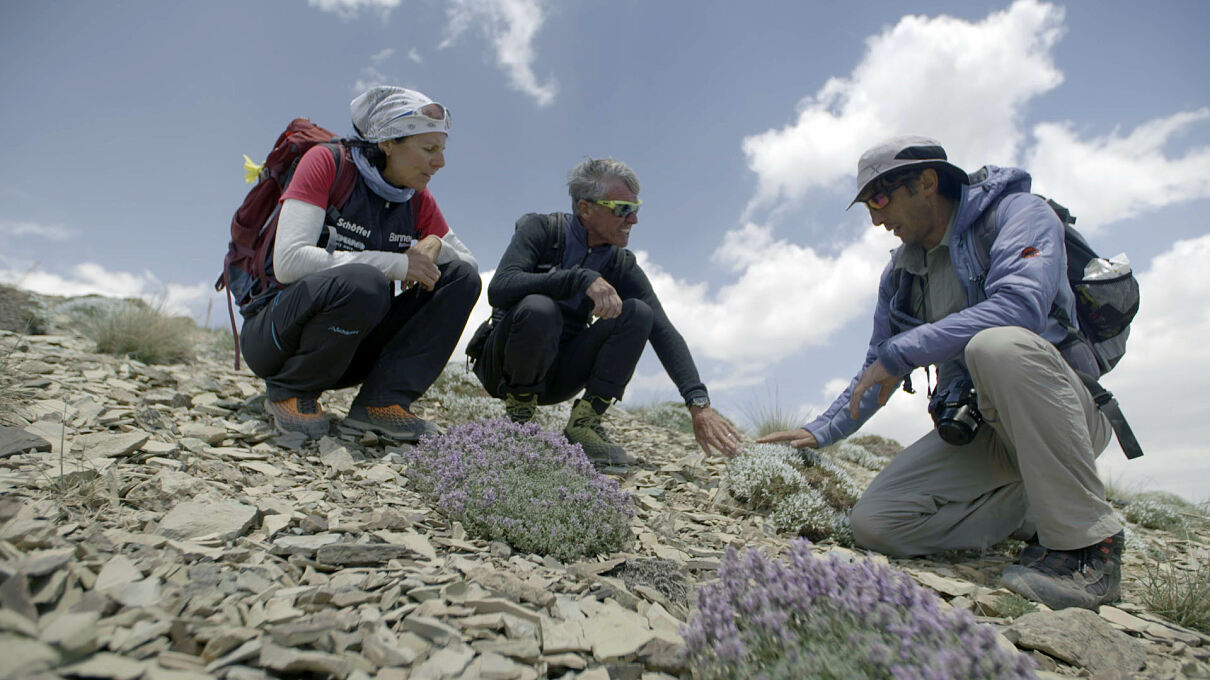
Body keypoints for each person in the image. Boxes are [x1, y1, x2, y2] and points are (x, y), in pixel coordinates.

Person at [758, 136, 1124, 611]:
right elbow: (877, 367)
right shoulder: (902, 274)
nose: (875, 218)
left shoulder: (1019, 213)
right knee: (876, 523)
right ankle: (1033, 512)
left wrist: (903, 352)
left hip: (1063, 412)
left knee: (997, 346)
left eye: (880, 197)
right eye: (869, 204)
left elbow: (1021, 307)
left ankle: (1088, 550)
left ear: (927, 181)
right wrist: (820, 430)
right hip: (984, 426)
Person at [240, 86, 480, 441]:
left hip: (347, 349)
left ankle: (381, 404)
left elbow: (468, 264)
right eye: (428, 149)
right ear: (387, 143)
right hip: (275, 341)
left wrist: (432, 242)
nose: (439, 162)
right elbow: (289, 262)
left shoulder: (415, 197)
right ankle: (291, 391)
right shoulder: (327, 162)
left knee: (461, 278)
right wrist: (398, 265)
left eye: (441, 150)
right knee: (366, 281)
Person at [472, 157, 742, 466]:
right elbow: (500, 287)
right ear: (585, 208)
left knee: (639, 312)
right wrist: (579, 279)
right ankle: (519, 417)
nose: (633, 220)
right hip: (504, 370)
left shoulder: (619, 263)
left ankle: (584, 425)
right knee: (540, 307)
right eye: (622, 209)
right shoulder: (542, 229)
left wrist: (699, 404)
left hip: (560, 377)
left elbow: (663, 331)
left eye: (636, 208)